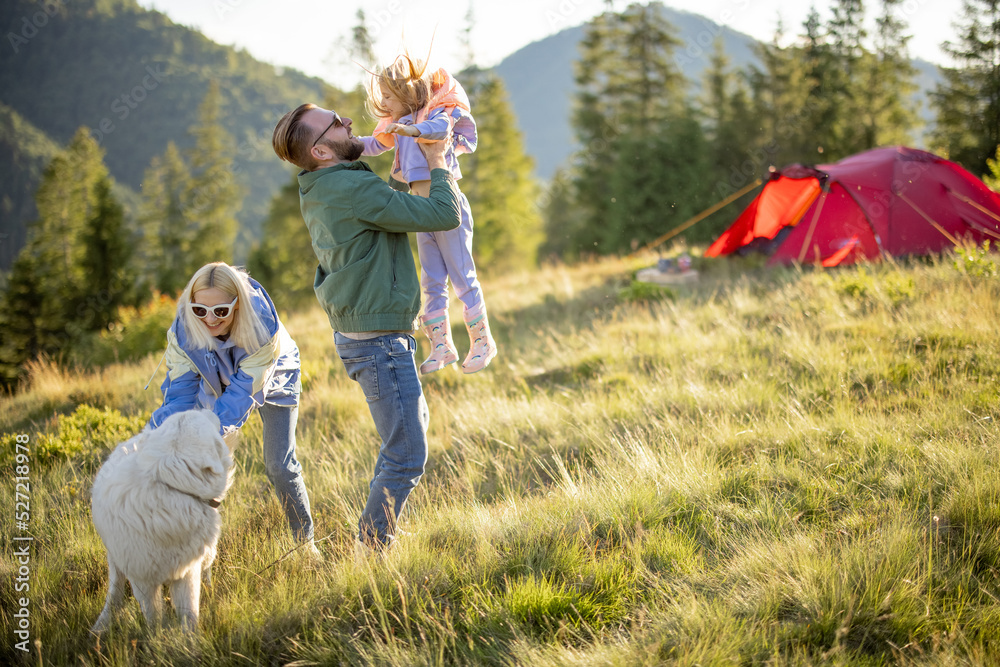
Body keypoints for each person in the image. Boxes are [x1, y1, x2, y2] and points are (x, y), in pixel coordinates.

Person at [271, 103, 462, 555]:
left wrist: (395, 147)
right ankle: (373, 549)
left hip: (367, 334)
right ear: (320, 150)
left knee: (406, 439)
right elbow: (440, 214)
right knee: (407, 453)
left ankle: (375, 539)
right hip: (378, 342)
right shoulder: (350, 187)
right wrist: (437, 161)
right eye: (335, 122)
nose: (348, 121)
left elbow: (388, 201)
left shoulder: (324, 184)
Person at [148, 262, 319, 557]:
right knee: (192, 458)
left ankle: (305, 544)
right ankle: (189, 545)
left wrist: (206, 432)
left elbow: (242, 395)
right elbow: (179, 398)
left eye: (221, 311)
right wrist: (156, 437)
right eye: (200, 310)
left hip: (274, 377)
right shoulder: (185, 331)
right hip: (214, 377)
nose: (210, 320)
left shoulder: (263, 328)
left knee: (279, 465)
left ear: (237, 305)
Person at [359, 54, 497, 375]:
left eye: (390, 95)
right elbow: (374, 144)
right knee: (431, 279)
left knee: (462, 275)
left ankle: (482, 341)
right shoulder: (398, 125)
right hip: (421, 211)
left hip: (447, 204)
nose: (385, 102)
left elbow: (437, 130)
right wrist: (346, 145)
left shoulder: (436, 113)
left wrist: (409, 130)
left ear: (409, 92)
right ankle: (441, 346)